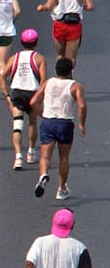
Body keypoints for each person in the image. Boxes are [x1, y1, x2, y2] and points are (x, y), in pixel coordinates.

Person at [33, 56, 87, 201]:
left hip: (48, 122)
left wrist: (43, 115)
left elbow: (33, 102)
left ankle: (43, 175)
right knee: (64, 157)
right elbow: (81, 106)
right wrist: (82, 123)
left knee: (45, 156)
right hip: (65, 124)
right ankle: (61, 189)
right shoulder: (75, 86)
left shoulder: (48, 83)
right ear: (71, 71)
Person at [1, 28, 46, 171]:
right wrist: (42, 99)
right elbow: (44, 80)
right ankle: (31, 152)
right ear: (36, 43)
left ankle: (18, 157)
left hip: (17, 94)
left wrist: (7, 96)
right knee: (32, 123)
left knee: (17, 126)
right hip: (32, 93)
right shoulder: (39, 59)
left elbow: (2, 77)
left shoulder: (14, 58)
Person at [36, 0, 95, 64]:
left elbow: (49, 5)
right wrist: (83, 7)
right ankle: (69, 76)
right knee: (71, 58)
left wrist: (41, 7)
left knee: (60, 54)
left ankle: (59, 76)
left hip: (60, 25)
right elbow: (91, 6)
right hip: (74, 26)